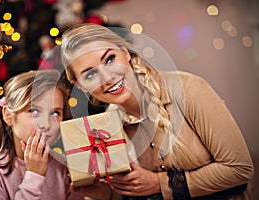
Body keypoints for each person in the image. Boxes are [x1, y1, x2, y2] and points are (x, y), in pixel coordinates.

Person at [60, 23, 254, 199]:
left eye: (110, 59)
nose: (108, 77)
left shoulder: (188, 89)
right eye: (91, 74)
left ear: (125, 52)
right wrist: (104, 193)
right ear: (80, 85)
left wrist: (159, 183)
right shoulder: (107, 126)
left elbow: (240, 169)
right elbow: (139, 193)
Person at [0, 69, 84, 200]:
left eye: (55, 113)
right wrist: (34, 175)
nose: (46, 124)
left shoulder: (63, 166)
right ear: (8, 116)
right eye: (34, 111)